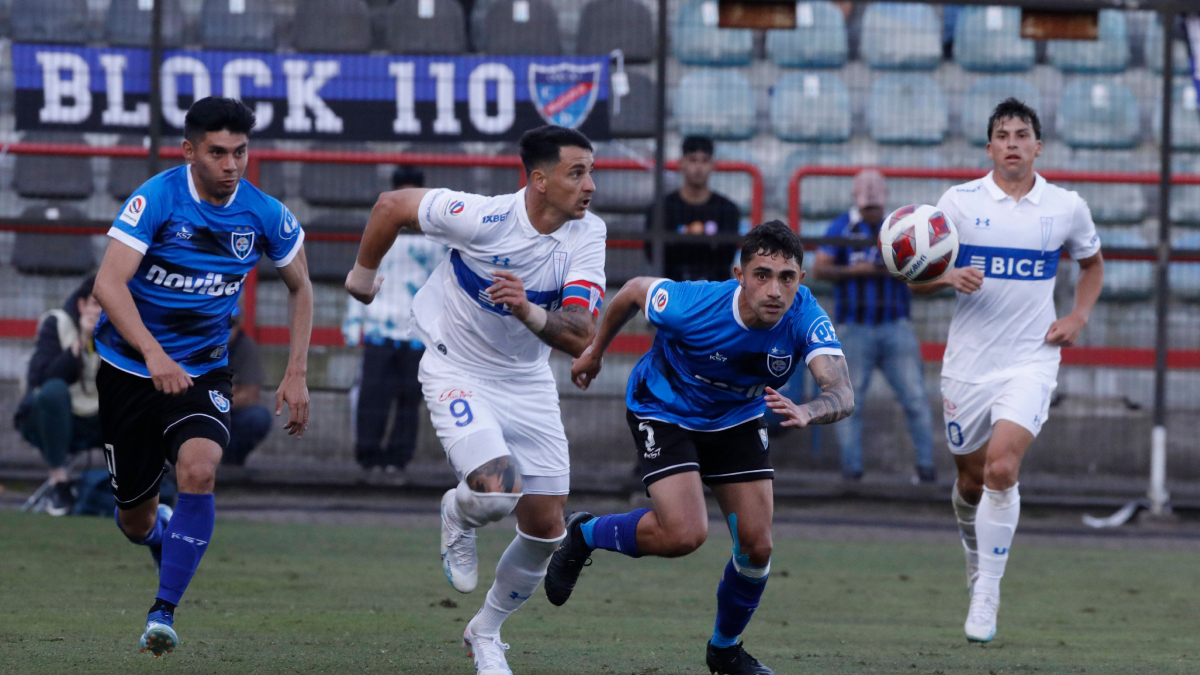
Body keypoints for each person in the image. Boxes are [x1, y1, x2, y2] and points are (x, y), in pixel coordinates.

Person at [345, 125, 605, 675]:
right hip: (455, 368)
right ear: (538, 180)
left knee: (546, 530)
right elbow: (392, 206)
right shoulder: (482, 216)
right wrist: (363, 276)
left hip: (527, 382)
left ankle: (485, 633)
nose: (590, 186)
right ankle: (457, 512)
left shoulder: (587, 234)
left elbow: (581, 331)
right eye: (577, 172)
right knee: (494, 496)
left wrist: (526, 310)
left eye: (591, 172)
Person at [547, 221, 854, 675]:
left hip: (736, 419)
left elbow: (843, 392)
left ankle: (724, 651)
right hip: (664, 409)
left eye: (786, 277)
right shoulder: (693, 304)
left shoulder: (804, 315)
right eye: (762, 274)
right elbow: (633, 291)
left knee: (757, 547)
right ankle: (583, 534)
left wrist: (810, 410)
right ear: (739, 275)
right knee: (684, 534)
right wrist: (595, 351)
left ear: (801, 281)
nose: (774, 289)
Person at [92, 96, 313, 657]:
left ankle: (162, 613)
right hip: (128, 369)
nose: (231, 164)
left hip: (203, 369)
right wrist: (153, 354)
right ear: (190, 151)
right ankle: (158, 529)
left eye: (240, 152)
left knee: (199, 468)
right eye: (217, 152)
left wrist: (296, 372)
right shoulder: (158, 199)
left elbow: (302, 287)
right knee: (134, 521)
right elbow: (108, 285)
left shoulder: (264, 213)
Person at [916, 98, 1104, 643]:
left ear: (1038, 146)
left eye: (1023, 134)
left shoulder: (1066, 206)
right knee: (971, 480)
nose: (1013, 142)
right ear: (990, 146)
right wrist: (946, 277)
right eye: (1003, 134)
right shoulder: (958, 203)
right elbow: (914, 274)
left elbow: (1091, 266)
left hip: (1031, 359)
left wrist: (1077, 315)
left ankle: (988, 591)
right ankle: (975, 556)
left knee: (1001, 469)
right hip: (967, 367)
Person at [813, 169, 937, 483]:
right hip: (854, 327)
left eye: (875, 206)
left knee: (916, 399)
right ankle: (852, 471)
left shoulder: (899, 227)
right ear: (856, 199)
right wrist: (858, 270)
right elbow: (820, 268)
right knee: (848, 401)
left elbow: (925, 264)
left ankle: (926, 468)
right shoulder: (842, 227)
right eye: (867, 206)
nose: (871, 211)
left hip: (896, 325)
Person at [342, 166, 445, 476]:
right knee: (372, 398)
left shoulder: (438, 239)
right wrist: (353, 322)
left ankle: (398, 462)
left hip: (417, 333)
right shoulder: (378, 230)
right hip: (378, 329)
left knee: (409, 402)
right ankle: (368, 460)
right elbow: (360, 273)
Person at [15, 276, 103, 515]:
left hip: (101, 417)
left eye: (106, 305)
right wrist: (82, 340)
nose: (100, 311)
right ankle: (59, 483)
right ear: (82, 304)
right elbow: (44, 379)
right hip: (56, 415)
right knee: (53, 391)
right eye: (95, 304)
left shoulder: (121, 329)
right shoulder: (57, 323)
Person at [649, 135, 741, 281]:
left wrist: (680, 245)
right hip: (672, 288)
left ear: (713, 165)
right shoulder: (661, 209)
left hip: (715, 289)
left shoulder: (728, 209)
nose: (698, 167)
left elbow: (726, 258)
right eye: (692, 160)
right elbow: (654, 255)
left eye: (704, 160)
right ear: (681, 163)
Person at [221, 310, 272, 467]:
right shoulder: (198, 345)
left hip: (228, 414)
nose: (227, 330)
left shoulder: (246, 347)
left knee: (258, 417)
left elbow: (250, 395)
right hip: (199, 410)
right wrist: (232, 393)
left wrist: (214, 401)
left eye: (232, 325)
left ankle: (232, 463)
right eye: (222, 325)